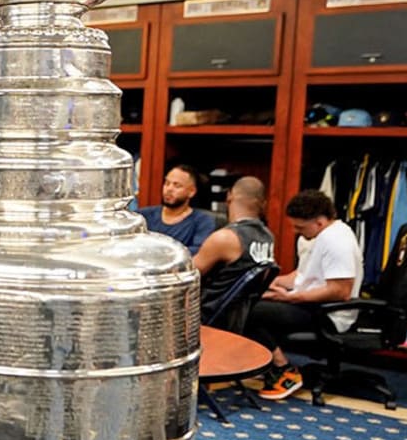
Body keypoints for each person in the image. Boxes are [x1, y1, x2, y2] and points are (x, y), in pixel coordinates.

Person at [246, 189, 364, 401]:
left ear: (319, 222)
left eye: (300, 227)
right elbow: (303, 276)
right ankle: (270, 363)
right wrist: (270, 283)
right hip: (311, 304)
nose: (295, 231)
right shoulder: (320, 236)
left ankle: (283, 368)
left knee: (247, 310)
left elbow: (341, 291)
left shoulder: (336, 241)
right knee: (245, 298)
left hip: (329, 314)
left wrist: (290, 298)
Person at [192, 176, 275, 326]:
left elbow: (186, 276)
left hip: (205, 316)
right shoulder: (268, 237)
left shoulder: (225, 238)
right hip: (238, 317)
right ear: (263, 203)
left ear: (229, 196)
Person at [138, 164, 218, 252]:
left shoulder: (202, 221)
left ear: (191, 191)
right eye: (167, 183)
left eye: (177, 185)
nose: (169, 189)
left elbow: (198, 253)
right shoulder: (142, 216)